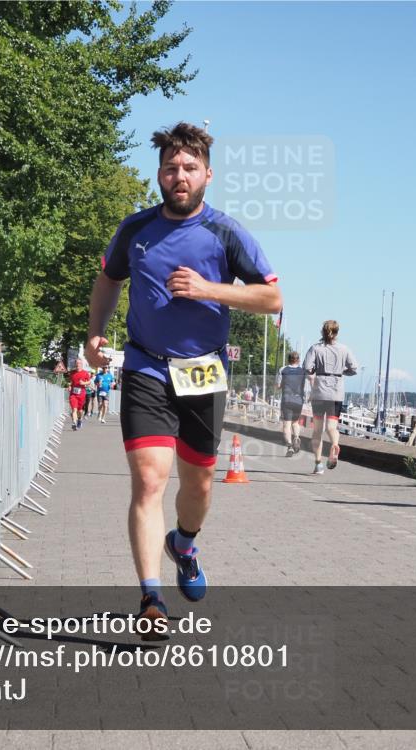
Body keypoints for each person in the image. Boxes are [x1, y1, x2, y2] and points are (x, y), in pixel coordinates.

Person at [84, 122, 282, 639]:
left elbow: (271, 298)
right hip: (146, 365)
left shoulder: (226, 232)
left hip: (202, 371)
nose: (180, 175)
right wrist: (95, 333)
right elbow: (108, 279)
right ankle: (151, 598)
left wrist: (208, 289)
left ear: (207, 175)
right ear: (159, 174)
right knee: (150, 480)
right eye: (171, 167)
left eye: (190, 167)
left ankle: (185, 543)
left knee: (198, 484)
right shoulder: (135, 229)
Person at [303, 320, 358, 474]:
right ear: (337, 332)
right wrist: (341, 372)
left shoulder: (315, 348)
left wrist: (314, 371)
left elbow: (307, 367)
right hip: (336, 392)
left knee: (317, 430)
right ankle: (334, 444)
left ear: (322, 331)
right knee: (331, 427)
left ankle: (318, 464)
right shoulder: (344, 349)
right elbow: (354, 369)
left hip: (319, 391)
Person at [276, 351, 307, 457]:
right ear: (298, 360)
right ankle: (297, 438)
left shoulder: (283, 370)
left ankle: (290, 447)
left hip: (287, 400)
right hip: (298, 401)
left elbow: (278, 386)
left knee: (287, 425)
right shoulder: (302, 371)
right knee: (295, 423)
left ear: (288, 359)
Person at [68, 359, 93, 431]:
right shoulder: (72, 373)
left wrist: (83, 383)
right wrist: (69, 386)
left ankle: (79, 419)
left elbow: (89, 382)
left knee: (80, 411)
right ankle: (74, 423)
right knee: (74, 409)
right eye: (76, 363)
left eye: (79, 363)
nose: (77, 365)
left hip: (81, 395)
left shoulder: (85, 373)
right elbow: (70, 382)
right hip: (73, 394)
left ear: (81, 364)